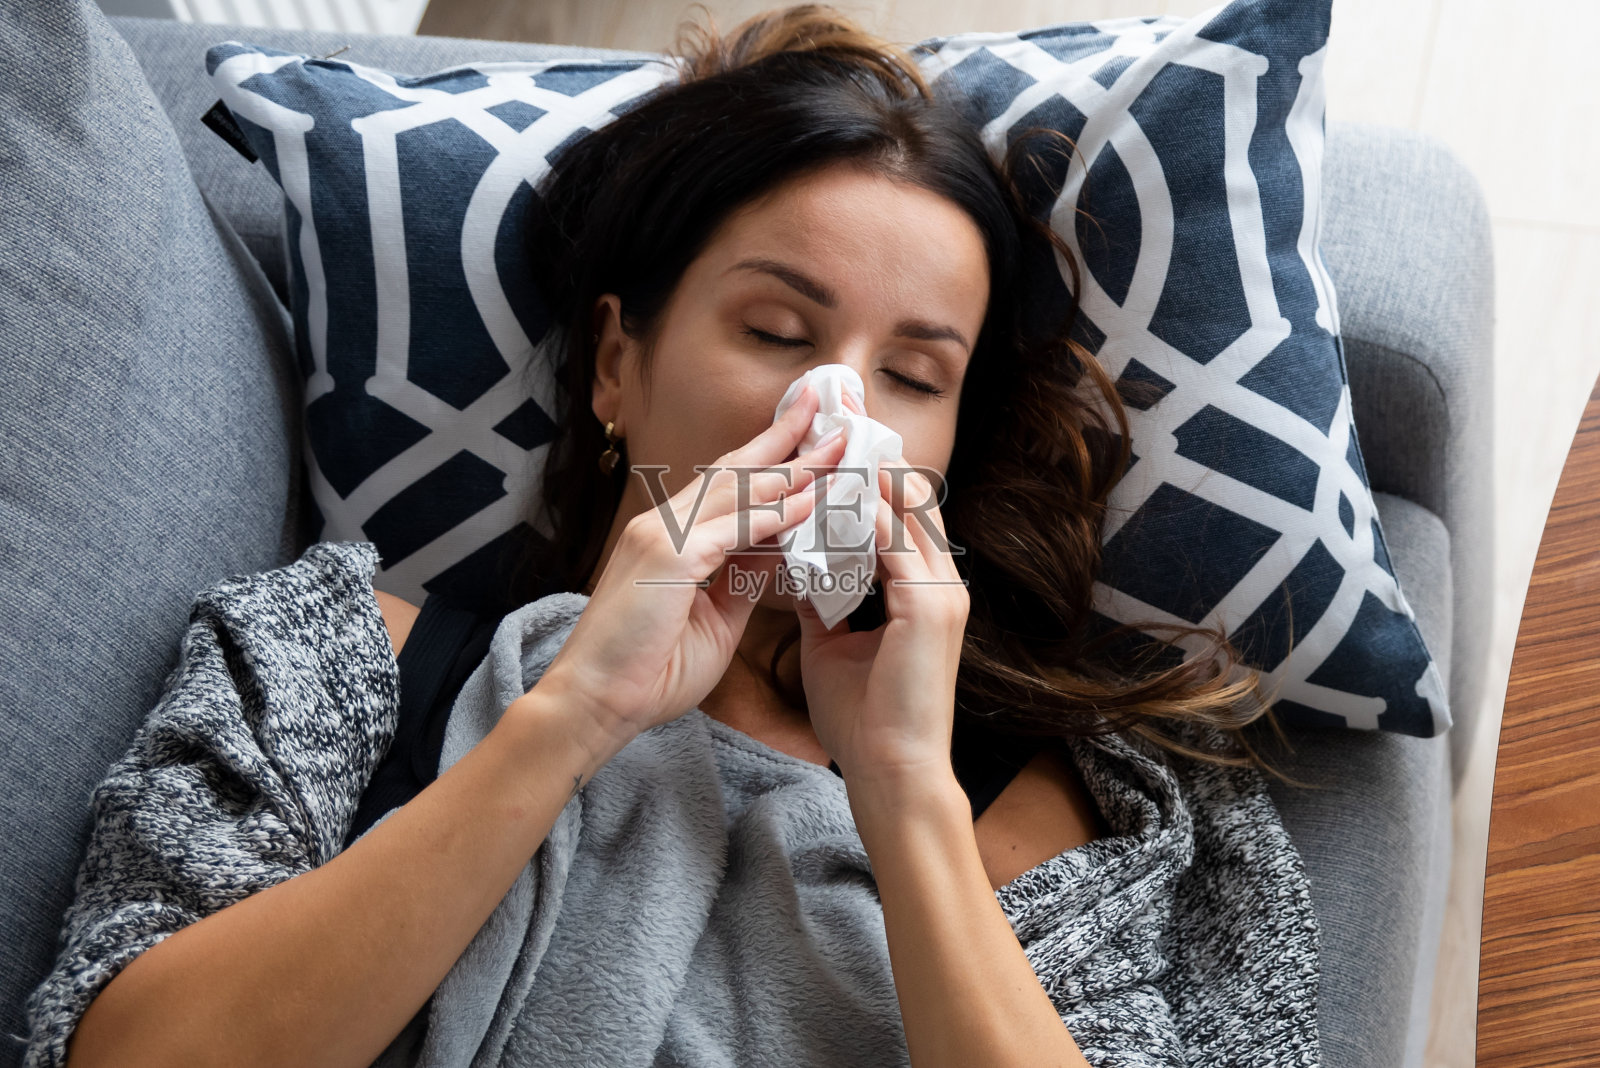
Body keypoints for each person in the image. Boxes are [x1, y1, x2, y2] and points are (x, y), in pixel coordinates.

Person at [37, 5, 1320, 1067]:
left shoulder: (1077, 809)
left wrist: (903, 790)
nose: (835, 414)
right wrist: (570, 714)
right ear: (616, 364)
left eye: (913, 376)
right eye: (775, 333)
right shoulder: (342, 660)